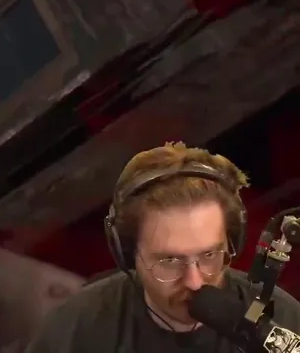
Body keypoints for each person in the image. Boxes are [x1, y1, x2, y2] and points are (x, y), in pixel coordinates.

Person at [25, 142, 300, 352]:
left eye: (209, 255)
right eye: (169, 261)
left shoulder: (283, 320)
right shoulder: (73, 330)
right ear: (128, 255)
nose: (194, 282)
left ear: (232, 244)